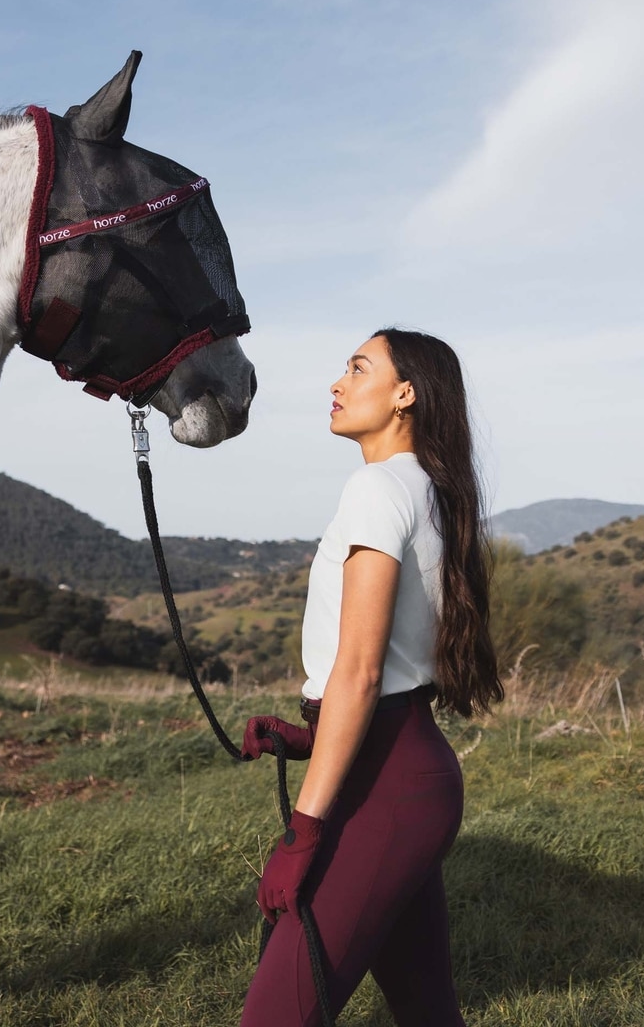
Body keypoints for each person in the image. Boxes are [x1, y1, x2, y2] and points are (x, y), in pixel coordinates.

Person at [240, 327, 502, 1027]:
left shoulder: (377, 487)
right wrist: (310, 733)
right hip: (408, 770)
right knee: (427, 1012)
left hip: (386, 786)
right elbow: (388, 673)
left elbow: (359, 673)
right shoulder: (430, 491)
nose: (337, 383)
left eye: (358, 369)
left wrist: (301, 835)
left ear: (404, 394)